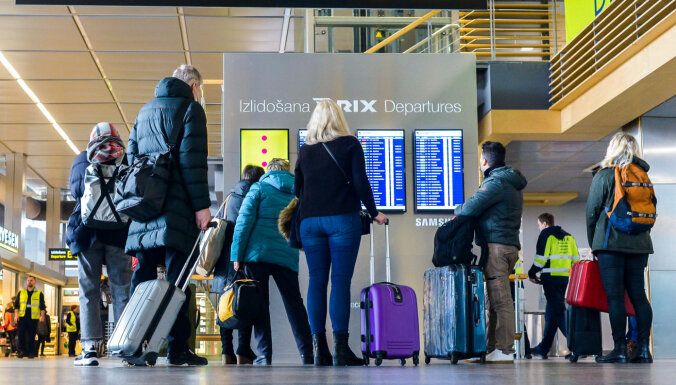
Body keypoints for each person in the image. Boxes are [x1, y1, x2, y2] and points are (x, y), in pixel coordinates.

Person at [126, 64, 211, 366]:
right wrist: (202, 206)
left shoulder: (144, 111)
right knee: (178, 282)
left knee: (143, 277)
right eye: (200, 89)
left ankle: (133, 344)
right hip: (176, 212)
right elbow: (192, 162)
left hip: (144, 209)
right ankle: (177, 348)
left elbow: (131, 157)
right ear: (193, 86)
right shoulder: (191, 110)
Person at [294, 100, 388, 366]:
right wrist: (374, 212)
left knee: (317, 281)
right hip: (342, 221)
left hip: (310, 222)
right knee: (340, 281)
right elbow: (361, 182)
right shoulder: (350, 144)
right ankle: (341, 350)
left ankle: (319, 350)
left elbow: (296, 190)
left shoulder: (305, 150)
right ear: (339, 118)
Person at [231, 159, 313, 366]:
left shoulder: (258, 188)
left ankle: (264, 355)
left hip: (257, 255)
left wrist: (236, 256)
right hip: (286, 255)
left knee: (260, 305)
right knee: (295, 304)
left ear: (268, 172)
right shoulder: (298, 193)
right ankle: (307, 353)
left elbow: (243, 222)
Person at [66, 122, 133, 366]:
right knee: (122, 290)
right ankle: (127, 346)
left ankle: (90, 349)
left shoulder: (82, 159)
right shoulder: (125, 160)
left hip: (87, 235)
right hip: (118, 235)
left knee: (89, 292)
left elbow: (76, 191)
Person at [454, 141, 527, 363]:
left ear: (484, 161)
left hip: (497, 247)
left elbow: (469, 207)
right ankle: (490, 348)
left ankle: (504, 350)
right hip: (505, 245)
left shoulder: (497, 182)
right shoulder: (509, 181)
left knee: (501, 300)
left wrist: (457, 210)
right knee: (494, 300)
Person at [586, 132, 654, 364]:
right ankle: (643, 349)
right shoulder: (643, 176)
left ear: (612, 149)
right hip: (640, 245)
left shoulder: (605, 175)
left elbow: (592, 212)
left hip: (610, 245)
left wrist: (593, 244)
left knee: (615, 297)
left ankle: (620, 349)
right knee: (639, 296)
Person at [212, 164, 265, 365]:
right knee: (244, 303)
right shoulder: (255, 197)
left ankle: (227, 352)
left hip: (223, 261)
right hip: (243, 258)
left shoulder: (229, 198)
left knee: (225, 305)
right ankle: (243, 350)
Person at [527, 213, 579, 359]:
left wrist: (531, 273)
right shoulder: (569, 237)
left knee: (559, 312)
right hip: (564, 279)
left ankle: (577, 346)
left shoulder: (546, 235)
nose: (539, 228)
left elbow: (540, 260)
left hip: (550, 278)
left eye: (539, 225)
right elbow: (576, 260)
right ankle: (543, 348)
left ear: (544, 224)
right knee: (552, 312)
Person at [14, 276, 46, 359]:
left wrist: (42, 316)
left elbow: (42, 306)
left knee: (32, 335)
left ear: (34, 282)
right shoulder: (21, 292)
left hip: (33, 318)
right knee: (21, 335)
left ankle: (31, 352)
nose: (29, 282)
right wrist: (16, 315)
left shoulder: (39, 293)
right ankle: (21, 351)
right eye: (28, 280)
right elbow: (16, 305)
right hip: (22, 317)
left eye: (31, 280)